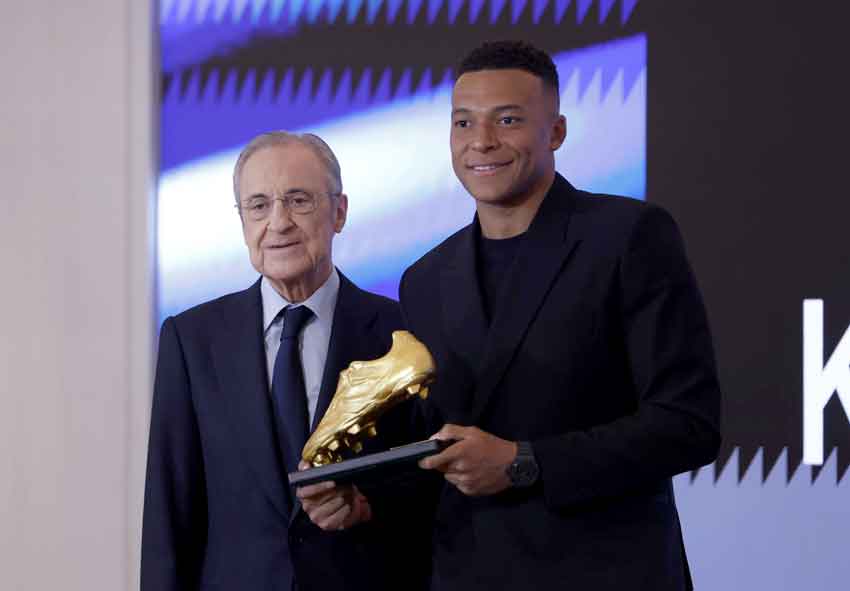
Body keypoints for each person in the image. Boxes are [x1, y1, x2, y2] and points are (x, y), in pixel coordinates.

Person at [400, 41, 722, 590]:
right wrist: (357, 493)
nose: (482, 141)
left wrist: (526, 462)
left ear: (556, 132)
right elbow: (434, 447)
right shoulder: (424, 279)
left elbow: (687, 424)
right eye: (463, 123)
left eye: (508, 120)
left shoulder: (628, 238)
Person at [141, 131, 425, 591]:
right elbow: (170, 513)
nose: (278, 222)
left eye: (298, 200)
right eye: (258, 205)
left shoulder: (403, 333)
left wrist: (368, 502)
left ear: (340, 211)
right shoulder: (191, 340)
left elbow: (434, 489)